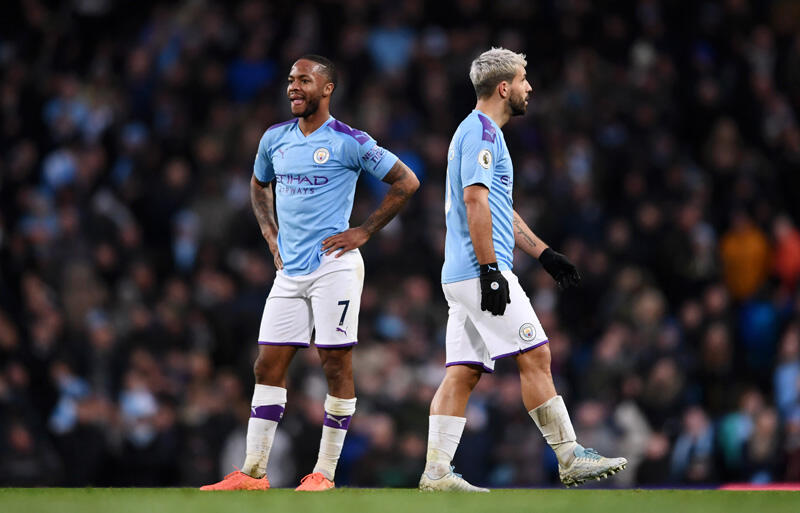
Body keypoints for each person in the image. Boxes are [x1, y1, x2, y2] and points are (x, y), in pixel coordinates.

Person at [201, 55, 419, 492]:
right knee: (267, 364)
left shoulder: (349, 141)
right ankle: (253, 472)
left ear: (327, 88)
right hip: (290, 271)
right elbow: (258, 183)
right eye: (290, 80)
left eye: (304, 80)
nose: (293, 87)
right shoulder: (274, 138)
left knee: (334, 363)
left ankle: (325, 472)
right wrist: (269, 232)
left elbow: (406, 181)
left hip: (333, 266)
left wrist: (364, 230)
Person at [419, 48, 626, 492]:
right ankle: (569, 456)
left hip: (460, 274)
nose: (529, 87)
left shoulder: (478, 132)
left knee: (463, 371)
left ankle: (436, 471)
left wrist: (544, 253)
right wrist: (491, 270)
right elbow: (475, 201)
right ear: (503, 88)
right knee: (536, 354)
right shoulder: (482, 133)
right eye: (523, 79)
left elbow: (498, 208)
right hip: (478, 270)